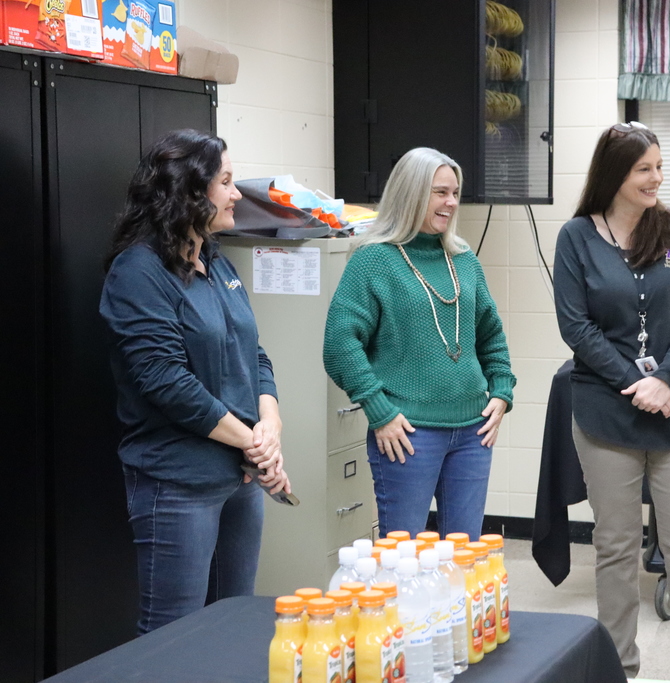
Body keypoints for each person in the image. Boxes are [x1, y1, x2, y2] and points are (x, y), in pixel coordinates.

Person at [100, 129, 291, 635]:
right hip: (178, 484)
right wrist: (253, 442)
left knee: (231, 626)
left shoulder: (217, 262)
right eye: (225, 182)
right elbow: (165, 381)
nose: (235, 194)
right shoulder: (138, 271)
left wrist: (270, 427)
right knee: (172, 637)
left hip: (241, 479)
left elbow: (255, 355)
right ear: (189, 191)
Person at [553, 122, 670, 682]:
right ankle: (616, 671)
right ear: (615, 175)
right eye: (643, 169)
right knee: (616, 549)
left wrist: (668, 379)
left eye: (658, 166)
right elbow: (576, 327)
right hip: (606, 416)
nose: (657, 178)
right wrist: (637, 383)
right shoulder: (576, 237)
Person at [323, 147, 515, 540]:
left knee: (465, 556)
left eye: (455, 192)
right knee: (402, 558)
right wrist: (378, 408)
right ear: (411, 194)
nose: (451, 202)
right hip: (408, 434)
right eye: (440, 192)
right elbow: (339, 344)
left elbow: (491, 334)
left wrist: (502, 389)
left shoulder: (464, 261)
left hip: (473, 433)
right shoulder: (373, 261)